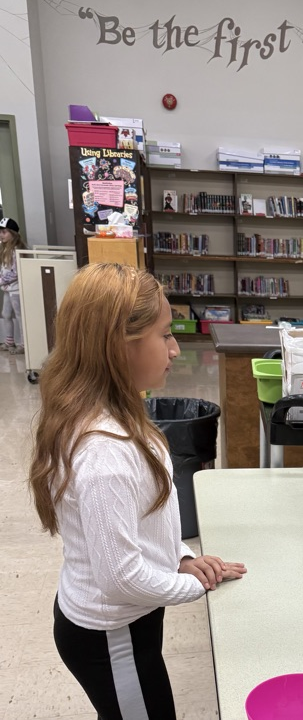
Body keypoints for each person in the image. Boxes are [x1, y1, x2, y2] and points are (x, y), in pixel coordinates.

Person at [28, 263, 247, 719]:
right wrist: (196, 585)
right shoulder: (103, 452)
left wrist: (181, 556)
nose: (175, 348)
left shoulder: (118, 411)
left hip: (129, 623)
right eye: (165, 335)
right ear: (119, 346)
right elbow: (120, 577)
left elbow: (147, 519)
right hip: (111, 633)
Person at [0, 216, 27, 355]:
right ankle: (9, 341)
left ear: (13, 233)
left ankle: (23, 344)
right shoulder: (5, 250)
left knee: (19, 316)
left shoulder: (17, 250)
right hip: (7, 289)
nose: (1, 235)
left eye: (4, 232)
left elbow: (16, 272)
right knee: (6, 314)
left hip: (16, 289)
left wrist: (2, 280)